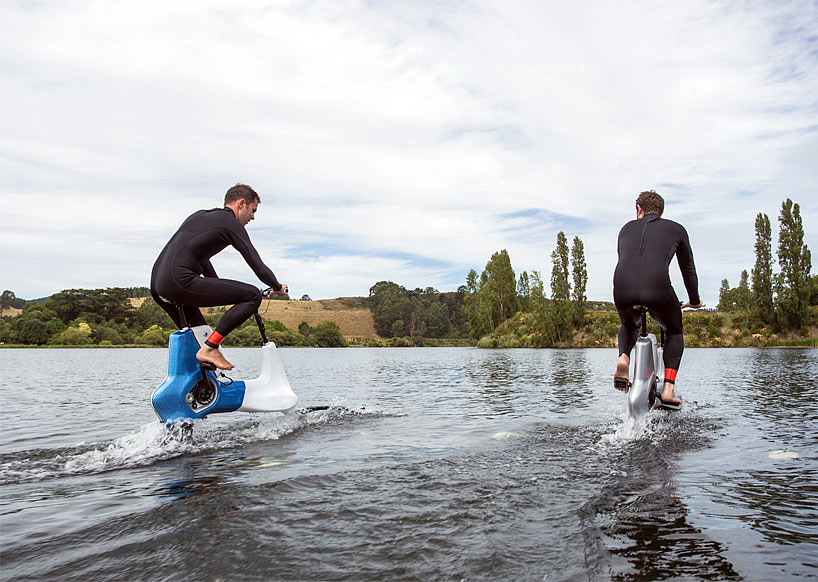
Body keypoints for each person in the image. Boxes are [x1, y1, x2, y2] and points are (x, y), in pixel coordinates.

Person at [150, 184, 287, 370]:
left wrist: (218, 288)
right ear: (241, 203)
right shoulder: (230, 223)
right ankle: (211, 349)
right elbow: (257, 265)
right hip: (178, 282)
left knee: (200, 336)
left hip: (159, 285)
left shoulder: (201, 216)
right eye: (253, 210)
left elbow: (201, 258)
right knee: (252, 295)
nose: (253, 217)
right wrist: (277, 286)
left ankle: (201, 388)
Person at [612, 190, 702, 405]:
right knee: (674, 331)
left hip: (622, 289)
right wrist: (694, 300)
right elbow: (688, 270)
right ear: (661, 212)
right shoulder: (676, 229)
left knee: (628, 324)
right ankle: (669, 389)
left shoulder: (625, 229)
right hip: (658, 289)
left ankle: (624, 357)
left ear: (639, 209)